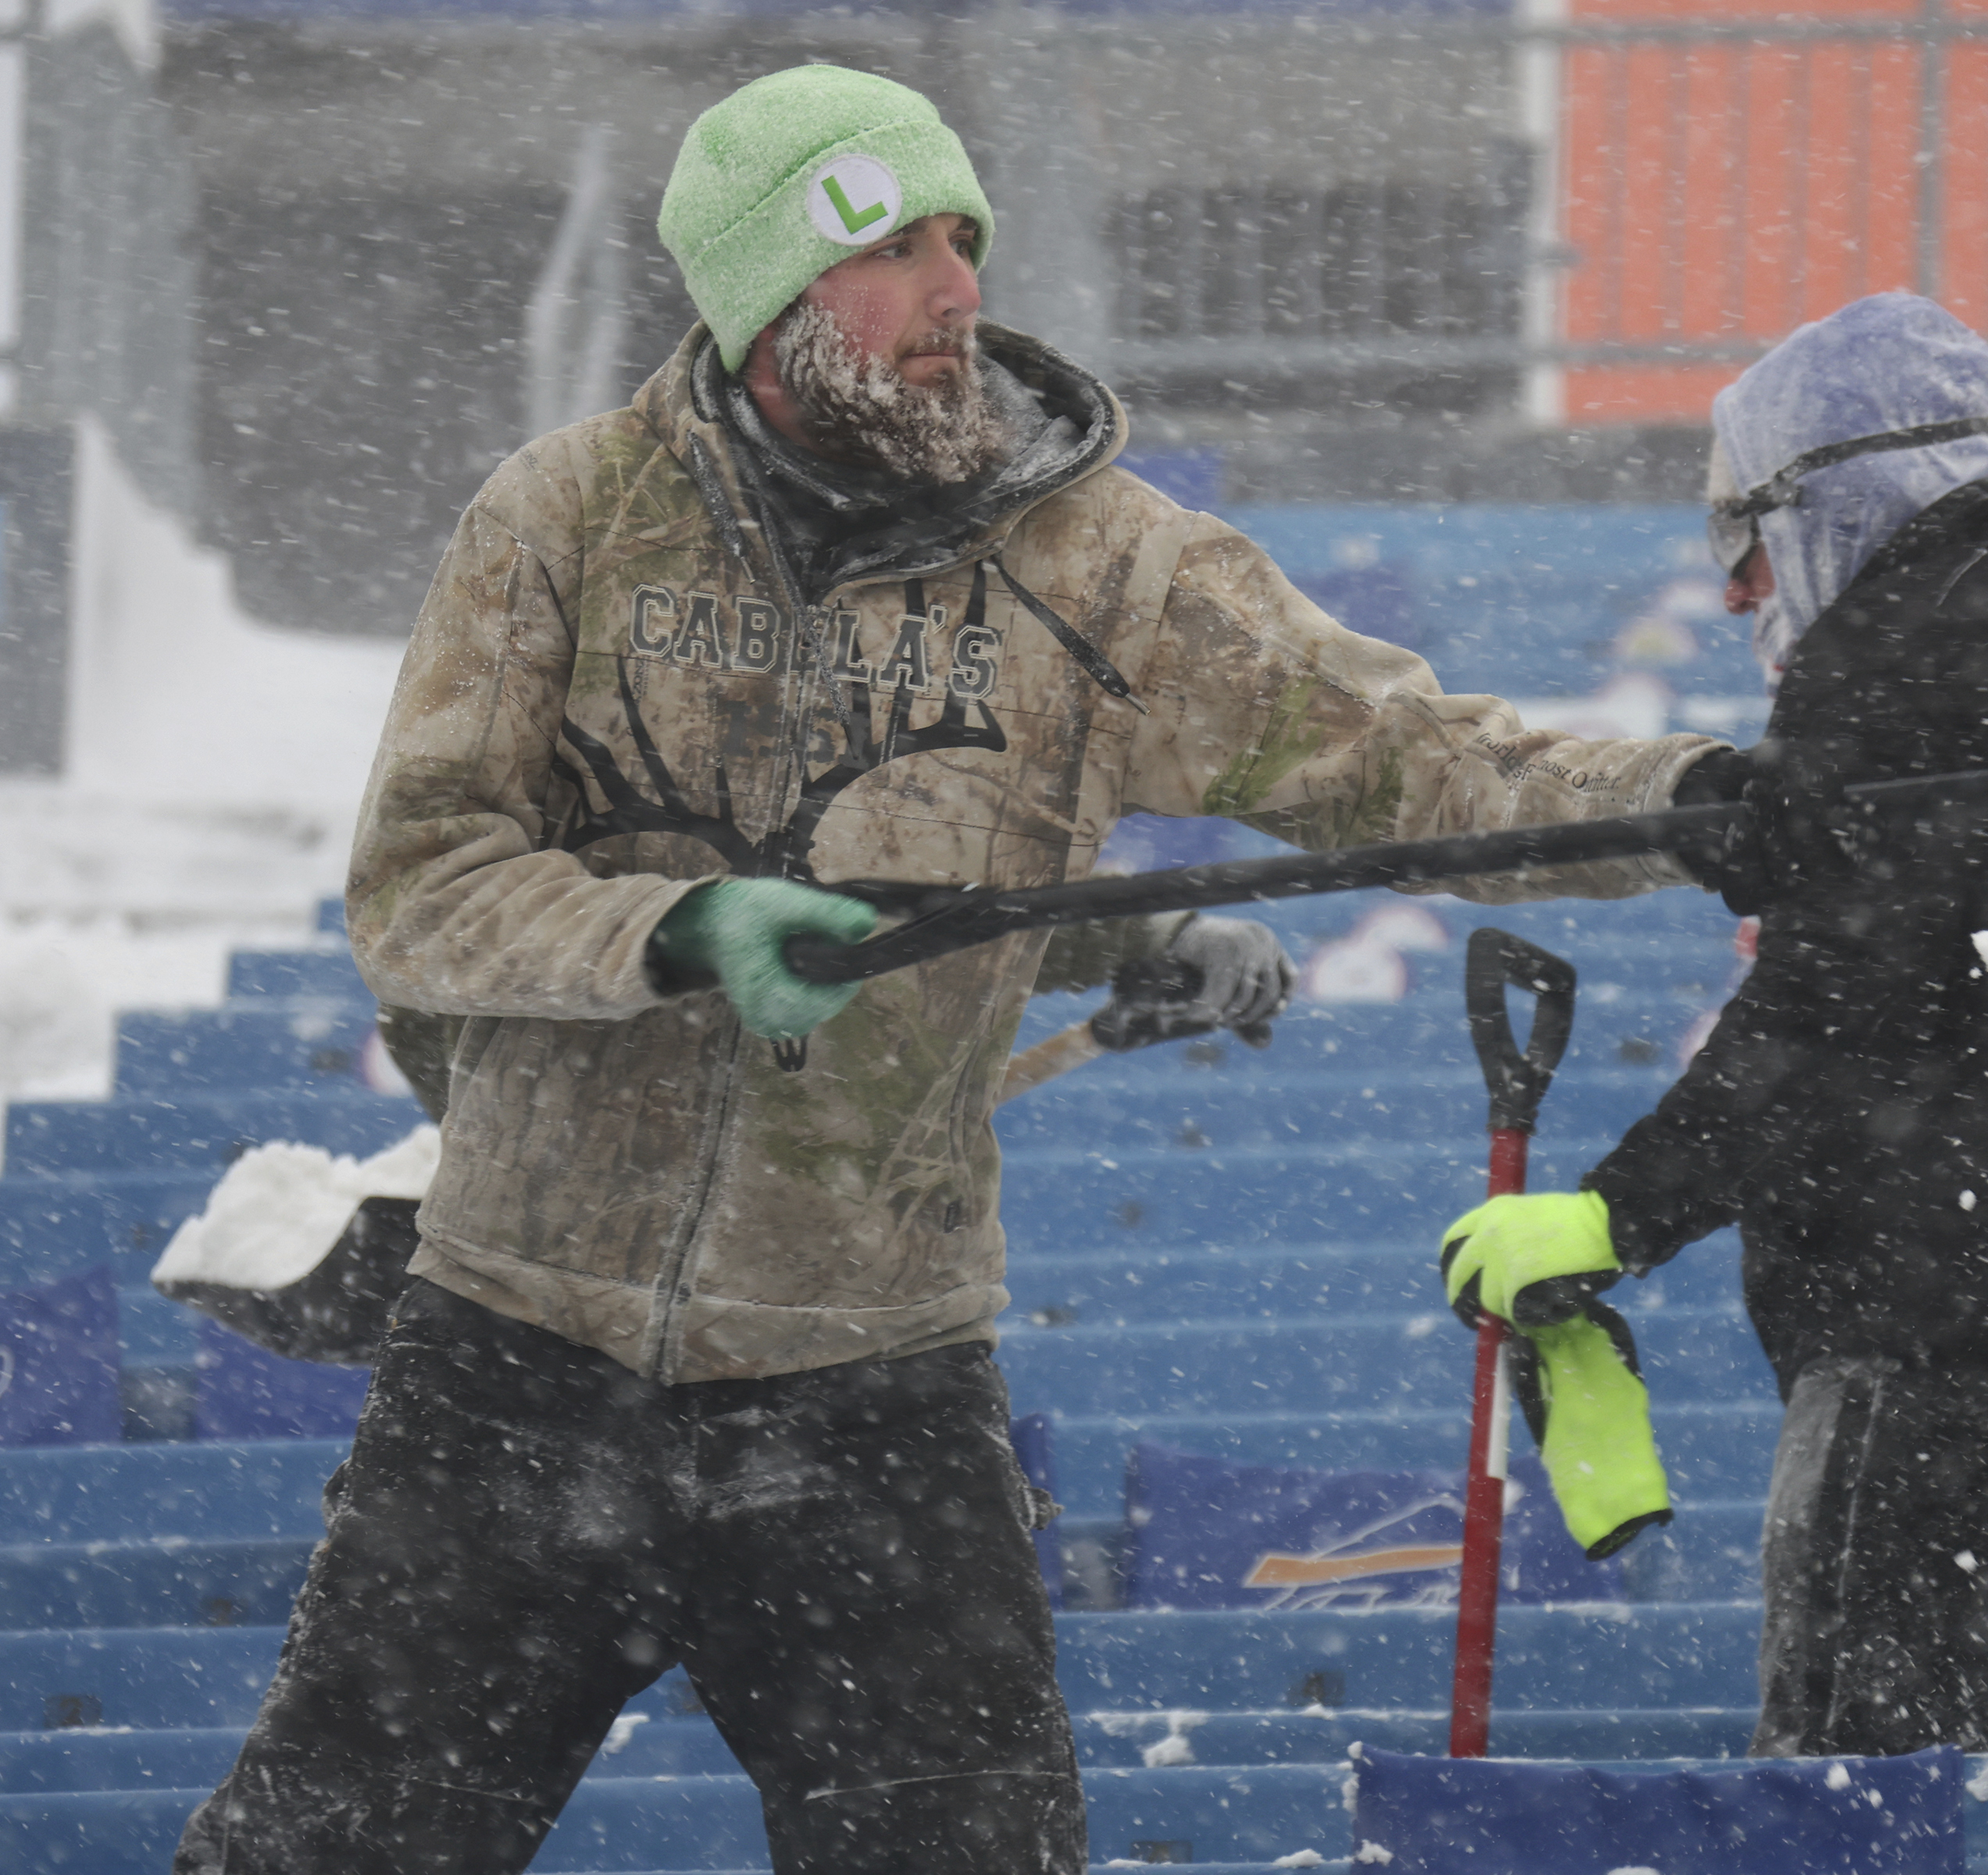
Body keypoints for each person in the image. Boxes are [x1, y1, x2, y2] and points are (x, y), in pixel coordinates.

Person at [177, 65, 1753, 1875]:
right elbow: (425, 889)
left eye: (963, 243)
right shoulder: (568, 521)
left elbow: (1418, 765)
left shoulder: (1106, 566)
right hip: (516, 1356)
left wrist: (1693, 803)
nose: (956, 294)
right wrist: (675, 930)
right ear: (769, 300)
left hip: (873, 1378)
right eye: (895, 250)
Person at [1437, 293, 1988, 1759]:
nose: (1743, 596)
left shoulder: (1894, 659)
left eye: (1739, 539)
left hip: (1939, 1355)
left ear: (1826, 498)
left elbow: (1839, 1015)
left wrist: (1612, 1217)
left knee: (1860, 1799)